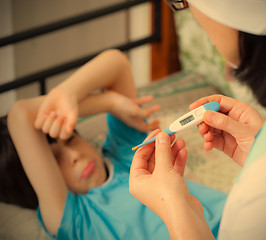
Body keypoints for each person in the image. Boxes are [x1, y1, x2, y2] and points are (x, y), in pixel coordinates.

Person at [129, 0, 266, 239]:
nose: (195, 17)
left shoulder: (265, 201)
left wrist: (175, 210)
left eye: (182, 2)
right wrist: (261, 150)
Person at [4, 49, 228, 239]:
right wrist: (106, 102)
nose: (73, 155)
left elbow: (116, 63)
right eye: (55, 159)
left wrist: (68, 95)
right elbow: (21, 115)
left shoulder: (128, 152)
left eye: (71, 138)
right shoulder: (74, 216)